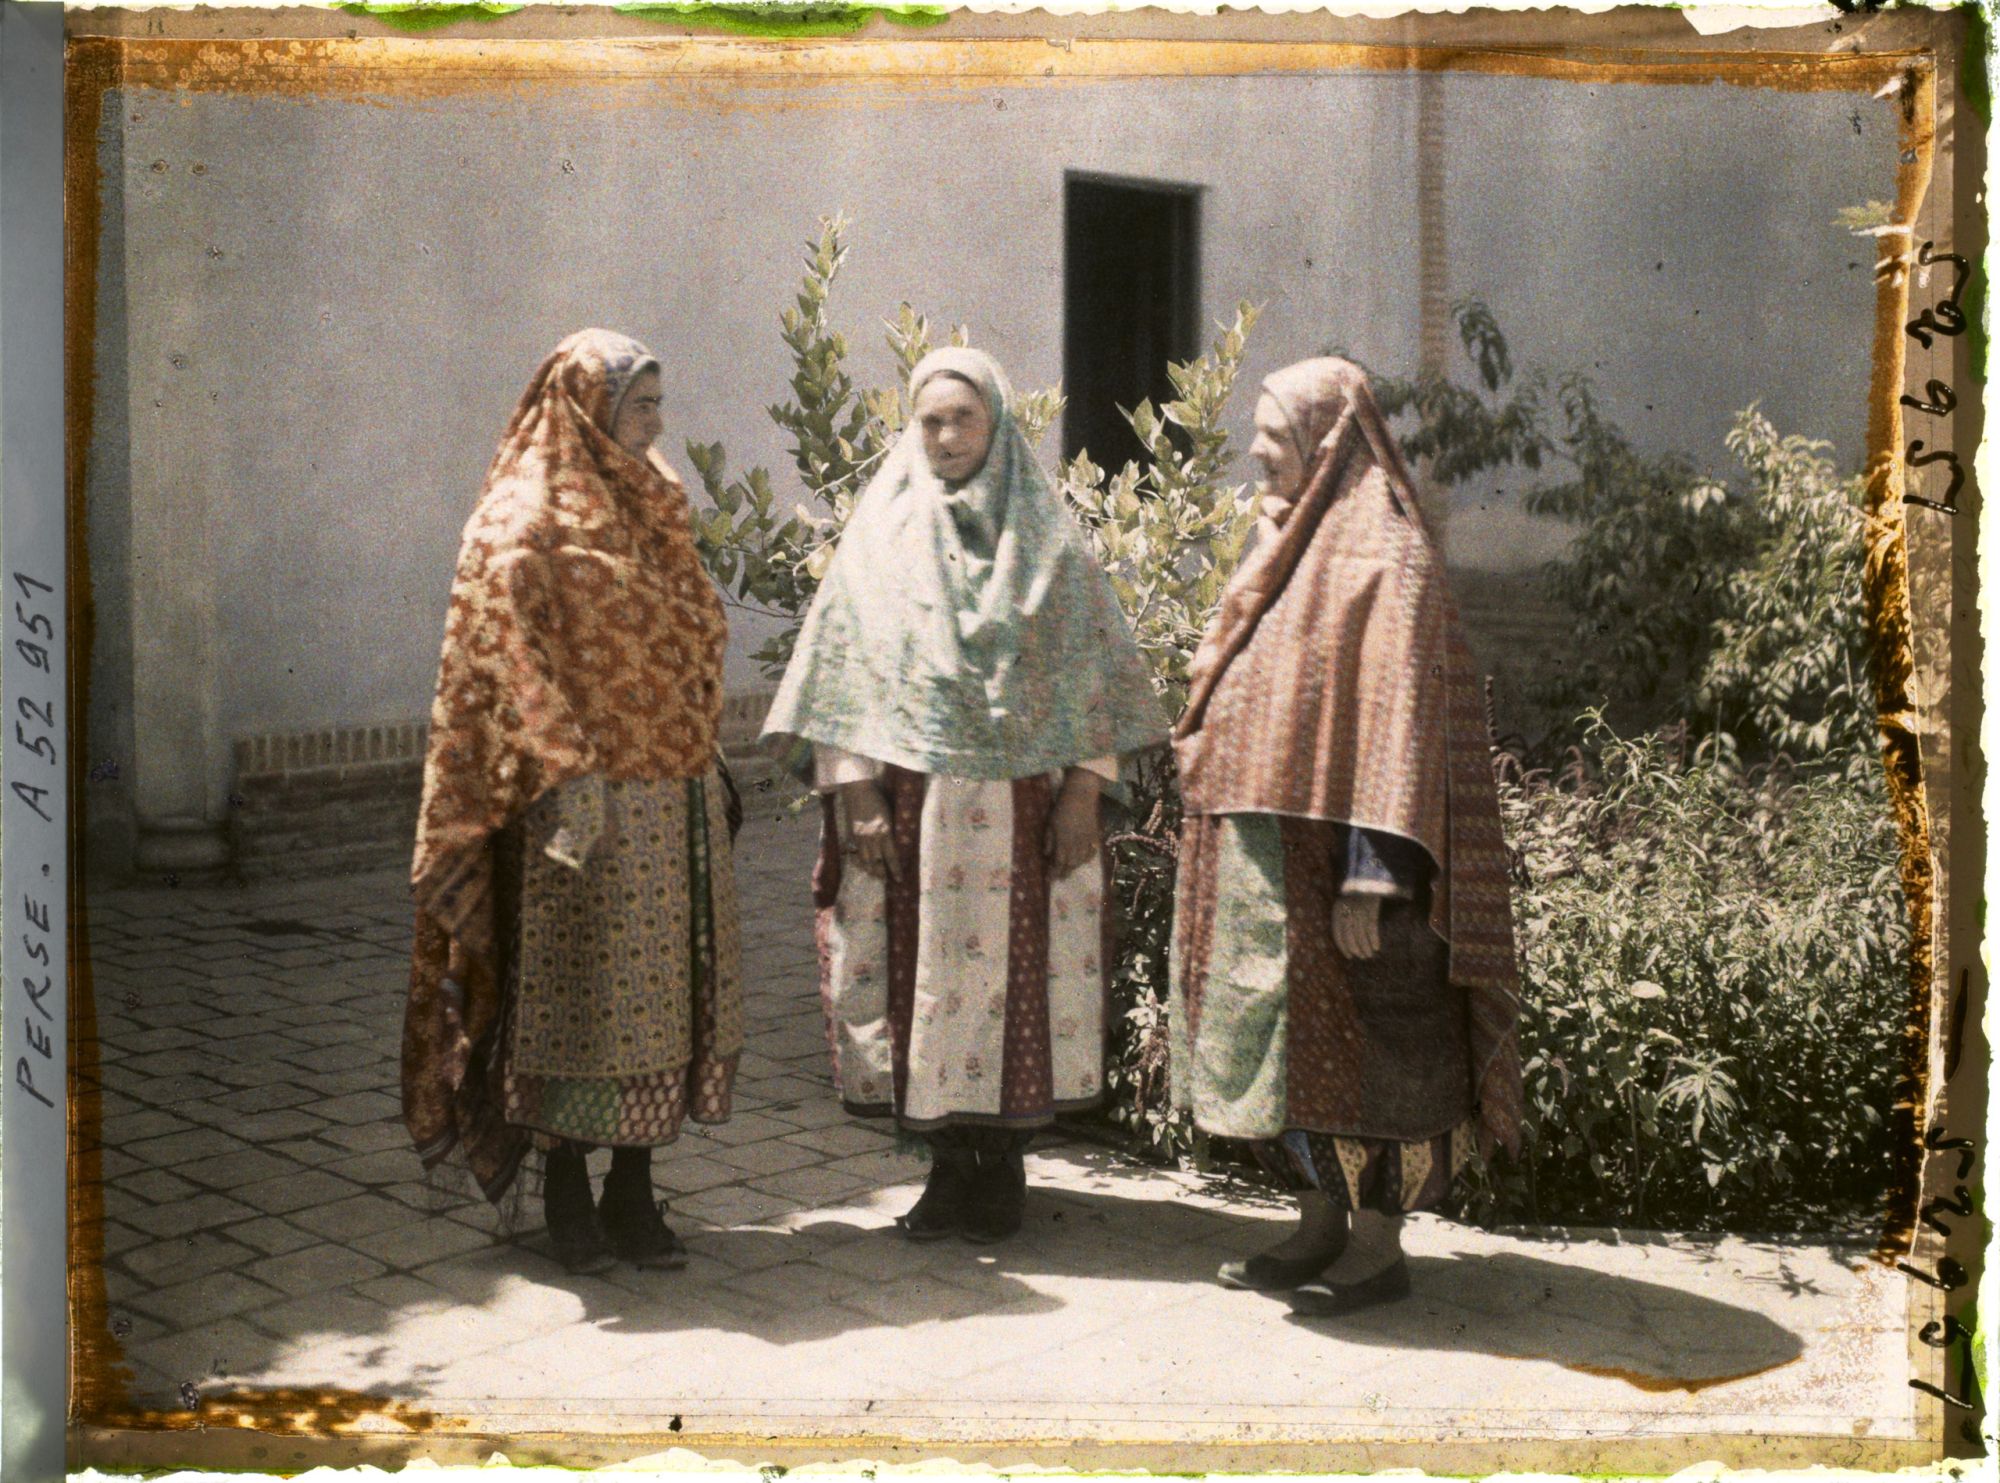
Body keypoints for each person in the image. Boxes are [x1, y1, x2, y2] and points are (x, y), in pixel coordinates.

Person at [762, 347, 1166, 1244]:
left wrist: (1081, 795)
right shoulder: (880, 539)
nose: (945, 436)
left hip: (1022, 813)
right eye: (931, 420)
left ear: (998, 426)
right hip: (912, 808)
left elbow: (1089, 674)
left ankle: (1004, 1170)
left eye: (964, 418)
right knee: (922, 981)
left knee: (1013, 981)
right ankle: (949, 1173)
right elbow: (839, 666)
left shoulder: (1048, 541)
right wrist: (855, 785)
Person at [1168, 356, 1521, 1316]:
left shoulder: (1384, 554)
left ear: (1327, 443)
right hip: (1288, 865)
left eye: (1273, 437)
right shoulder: (1293, 544)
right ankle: (1318, 1221)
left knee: (1379, 1057)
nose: (1252, 451)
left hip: (1359, 876)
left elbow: (1400, 722)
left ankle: (1377, 1246)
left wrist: (1372, 874)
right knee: (1304, 1058)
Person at [402, 328, 741, 1276]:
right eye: (642, 406)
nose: (658, 425)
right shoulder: (521, 516)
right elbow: (502, 656)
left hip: (673, 796)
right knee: (580, 1005)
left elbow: (696, 627)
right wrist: (567, 772)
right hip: (578, 808)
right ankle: (564, 1193)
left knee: (666, 1004)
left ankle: (633, 1186)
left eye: (660, 406)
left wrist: (701, 746)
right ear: (589, 407)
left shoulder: (654, 497)